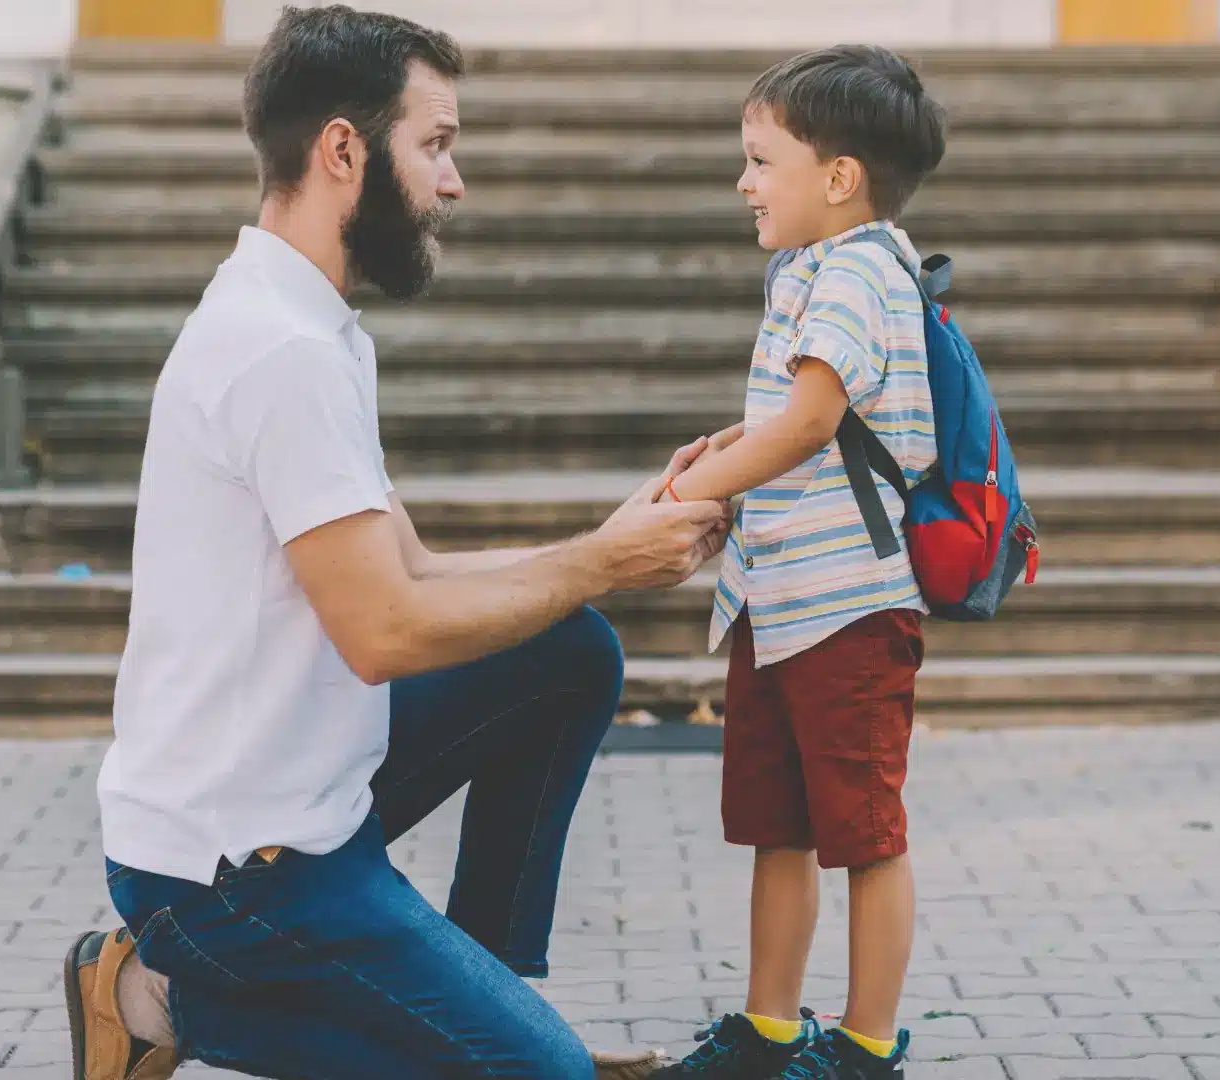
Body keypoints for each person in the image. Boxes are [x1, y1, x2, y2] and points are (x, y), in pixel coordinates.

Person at [57, 6, 731, 1080]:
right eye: (436, 145)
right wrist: (601, 563)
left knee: (568, 651)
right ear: (342, 150)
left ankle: (493, 1003)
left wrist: (604, 544)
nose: (452, 183)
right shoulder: (280, 353)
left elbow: (407, 571)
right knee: (541, 1077)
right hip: (234, 872)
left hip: (304, 795)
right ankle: (153, 995)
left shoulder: (310, 324)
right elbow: (385, 631)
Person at [648, 46, 948, 1080]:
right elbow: (786, 423)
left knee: (864, 832)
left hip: (851, 609)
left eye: (760, 159)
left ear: (839, 177)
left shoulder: (864, 267)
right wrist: (717, 459)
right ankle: (769, 1028)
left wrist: (697, 491)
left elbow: (813, 421)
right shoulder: (813, 269)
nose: (745, 182)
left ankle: (866, 1050)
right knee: (778, 827)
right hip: (779, 602)